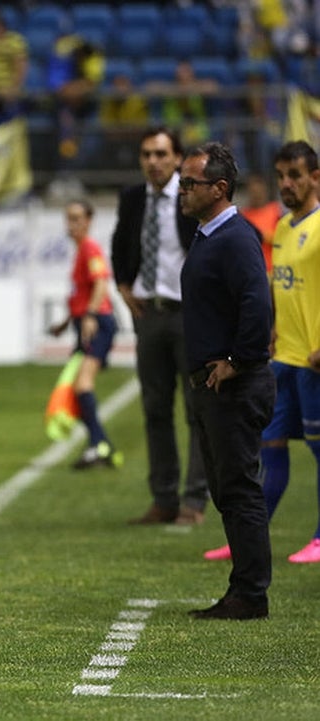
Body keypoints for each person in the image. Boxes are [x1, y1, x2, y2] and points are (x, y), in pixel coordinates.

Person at [203, 140, 320, 564]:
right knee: (269, 447)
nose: (286, 184)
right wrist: (270, 329)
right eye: (281, 176)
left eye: (295, 176)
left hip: (314, 362)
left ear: (315, 178)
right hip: (284, 358)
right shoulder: (283, 227)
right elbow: (280, 287)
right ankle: (248, 538)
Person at [178, 141, 275, 620]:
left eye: (190, 182)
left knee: (239, 489)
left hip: (234, 386)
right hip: (212, 385)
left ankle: (251, 594)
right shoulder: (208, 235)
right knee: (227, 489)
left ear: (219, 188)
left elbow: (258, 302)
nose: (182, 189)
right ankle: (244, 587)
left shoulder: (236, 237)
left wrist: (237, 360)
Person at [111, 126, 209, 526]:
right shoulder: (133, 198)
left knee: (197, 411)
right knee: (155, 410)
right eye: (147, 154)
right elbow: (120, 244)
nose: (153, 161)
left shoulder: (193, 197)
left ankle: (194, 501)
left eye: (161, 154)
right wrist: (123, 284)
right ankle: (164, 500)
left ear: (178, 158)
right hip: (148, 315)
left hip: (189, 315)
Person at [49, 200, 122, 470]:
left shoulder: (90, 248)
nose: (72, 224)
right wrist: (66, 323)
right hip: (87, 322)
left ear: (89, 221)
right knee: (76, 389)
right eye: (69, 218)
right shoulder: (81, 250)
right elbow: (82, 292)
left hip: (97, 323)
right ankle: (99, 445)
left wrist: (90, 315)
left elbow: (101, 282)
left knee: (81, 385)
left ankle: (100, 445)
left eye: (77, 218)